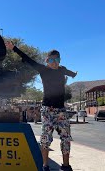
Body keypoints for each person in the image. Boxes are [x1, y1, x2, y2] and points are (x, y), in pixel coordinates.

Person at [5, 41, 77, 171]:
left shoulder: (62, 70)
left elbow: (70, 73)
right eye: (51, 59)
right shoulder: (43, 70)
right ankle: (45, 166)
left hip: (61, 110)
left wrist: (74, 74)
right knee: (45, 139)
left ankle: (66, 166)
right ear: (46, 60)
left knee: (66, 138)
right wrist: (14, 48)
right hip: (47, 110)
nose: (54, 62)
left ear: (60, 60)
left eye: (57, 59)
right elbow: (28, 60)